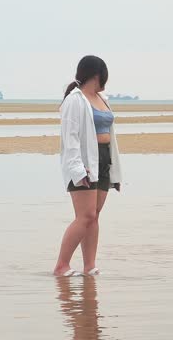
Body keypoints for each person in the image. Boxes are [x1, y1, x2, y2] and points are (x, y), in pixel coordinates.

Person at [53, 55, 122, 277]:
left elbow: (109, 134)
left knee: (95, 215)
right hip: (84, 162)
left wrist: (114, 172)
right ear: (97, 74)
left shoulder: (102, 98)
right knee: (86, 216)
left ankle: (89, 265)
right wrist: (77, 170)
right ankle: (61, 265)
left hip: (104, 159)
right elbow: (70, 139)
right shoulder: (75, 100)